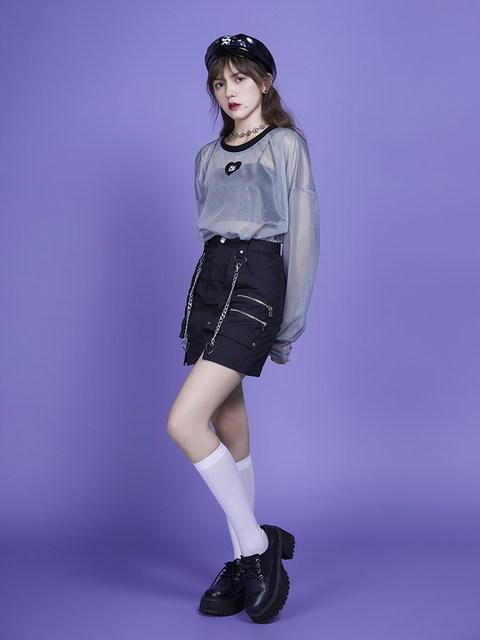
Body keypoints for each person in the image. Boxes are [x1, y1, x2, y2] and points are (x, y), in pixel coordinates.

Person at [167, 33, 320, 624]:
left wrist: (289, 322)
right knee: (228, 422)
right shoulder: (205, 157)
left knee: (185, 422)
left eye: (240, 78)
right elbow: (211, 229)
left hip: (257, 278)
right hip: (210, 278)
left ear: (264, 82)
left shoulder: (285, 145)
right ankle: (242, 558)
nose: (229, 91)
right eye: (219, 82)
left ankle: (257, 545)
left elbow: (302, 235)